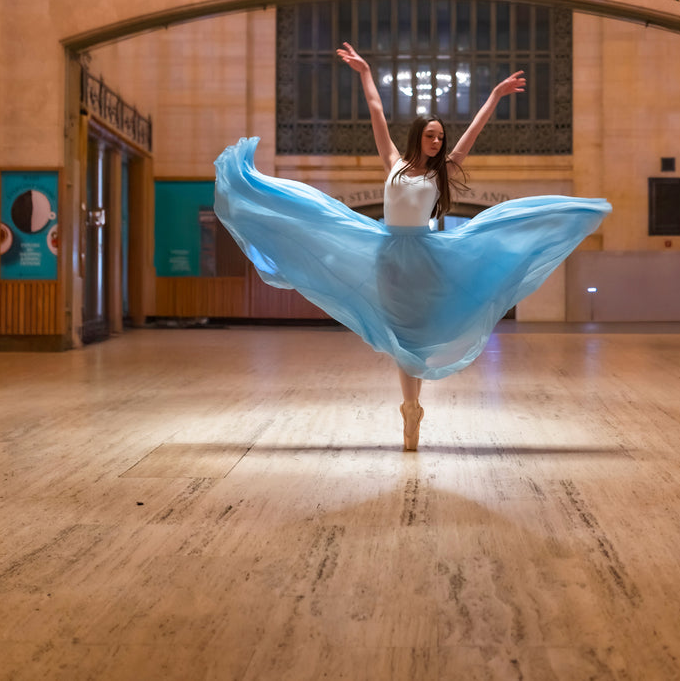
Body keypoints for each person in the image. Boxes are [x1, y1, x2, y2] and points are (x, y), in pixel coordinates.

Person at [214, 43, 611, 451]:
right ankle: (411, 406)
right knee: (398, 330)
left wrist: (495, 95)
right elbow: (376, 111)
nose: (437, 141)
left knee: (414, 335)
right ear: (418, 137)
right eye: (430, 135)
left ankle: (411, 407)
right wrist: (365, 72)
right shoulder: (393, 162)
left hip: (424, 256)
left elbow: (472, 134)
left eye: (440, 137)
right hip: (386, 252)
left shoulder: (442, 173)